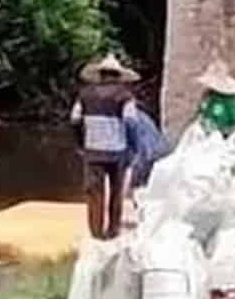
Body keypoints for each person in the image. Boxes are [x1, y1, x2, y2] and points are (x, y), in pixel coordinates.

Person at [70, 54, 164, 240]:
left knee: (95, 193)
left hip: (93, 152)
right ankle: (112, 232)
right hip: (117, 152)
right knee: (116, 192)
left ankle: (96, 233)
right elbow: (131, 123)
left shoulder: (85, 95)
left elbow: (74, 120)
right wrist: (134, 146)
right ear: (118, 76)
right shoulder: (125, 96)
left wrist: (81, 143)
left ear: (100, 75)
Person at [192, 61, 235, 137]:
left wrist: (222, 131)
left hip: (222, 140)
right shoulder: (208, 96)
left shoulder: (232, 101)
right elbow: (201, 113)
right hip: (203, 136)